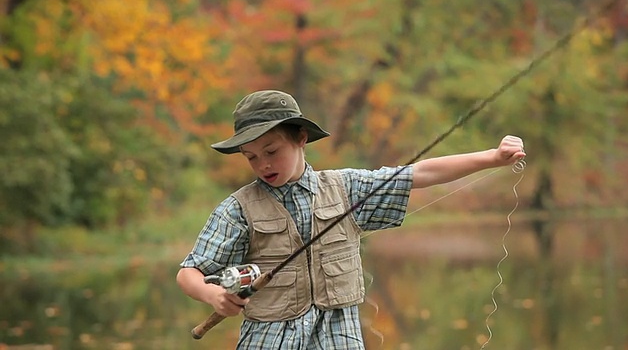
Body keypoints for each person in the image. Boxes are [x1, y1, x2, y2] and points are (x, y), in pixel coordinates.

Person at [176, 89, 526, 349]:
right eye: (252, 157)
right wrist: (213, 297)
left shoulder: (347, 188)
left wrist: (492, 157)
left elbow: (419, 173)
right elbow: (188, 273)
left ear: (301, 139)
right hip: (268, 339)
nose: (263, 164)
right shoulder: (237, 208)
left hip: (338, 338)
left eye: (272, 151)